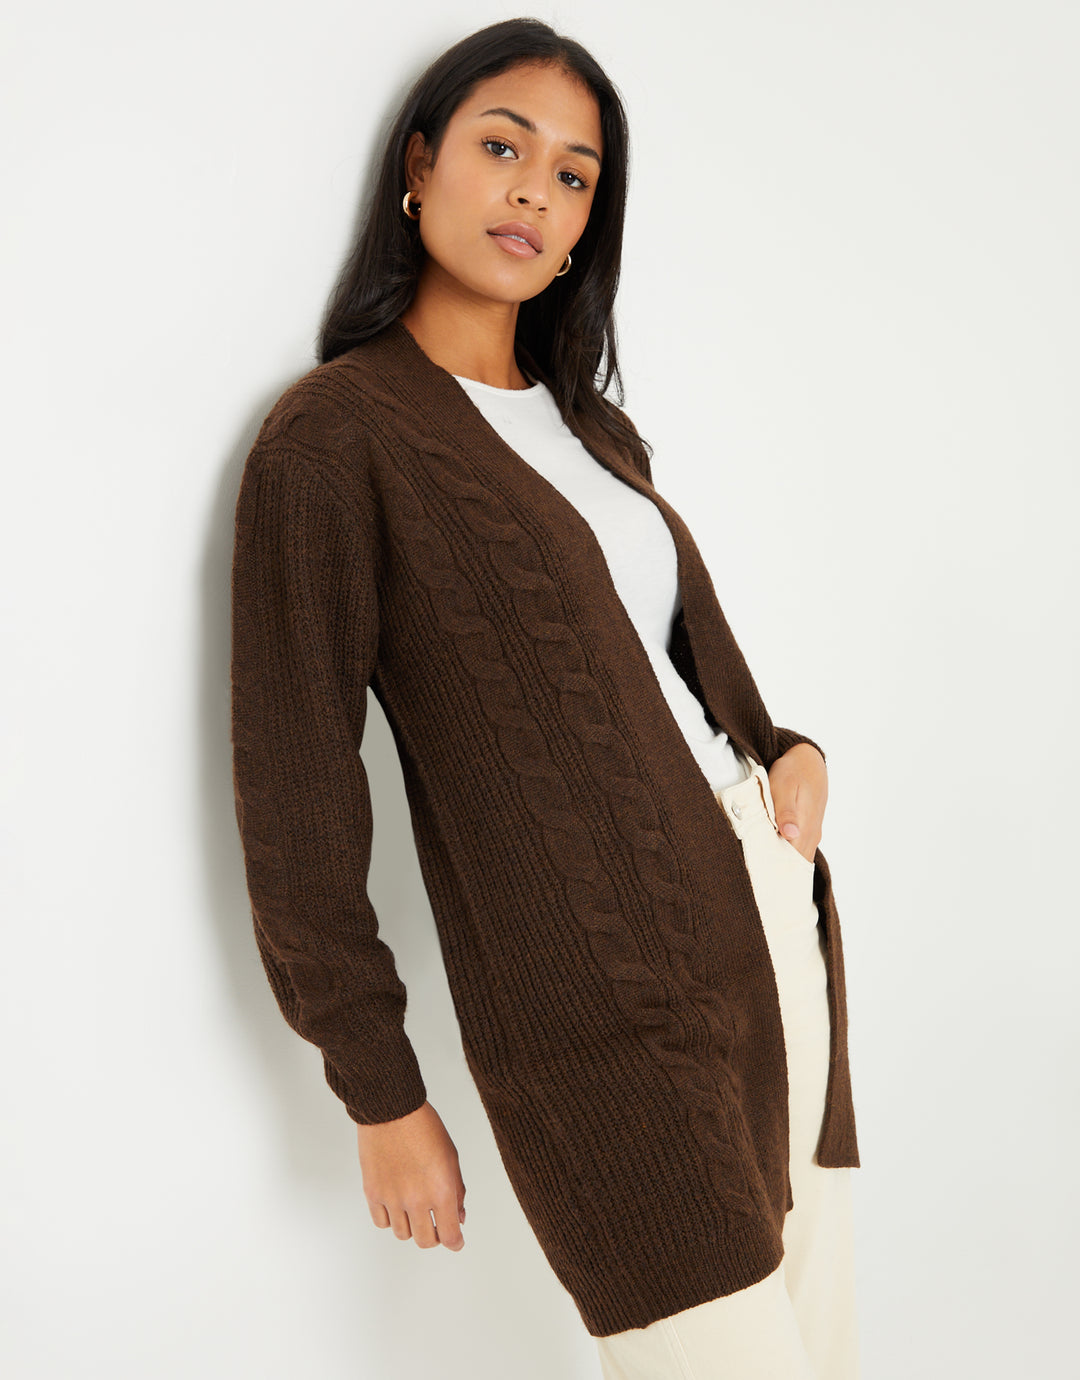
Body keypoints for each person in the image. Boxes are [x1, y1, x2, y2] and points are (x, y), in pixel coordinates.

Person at [229, 16, 861, 1379]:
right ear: (419, 166)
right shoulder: (335, 437)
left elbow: (668, 675)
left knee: (822, 1352)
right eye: (503, 149)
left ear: (587, 226)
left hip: (770, 920)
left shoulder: (594, 430)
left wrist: (791, 752)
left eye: (573, 176)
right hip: (603, 1000)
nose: (533, 193)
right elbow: (294, 794)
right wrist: (379, 1090)